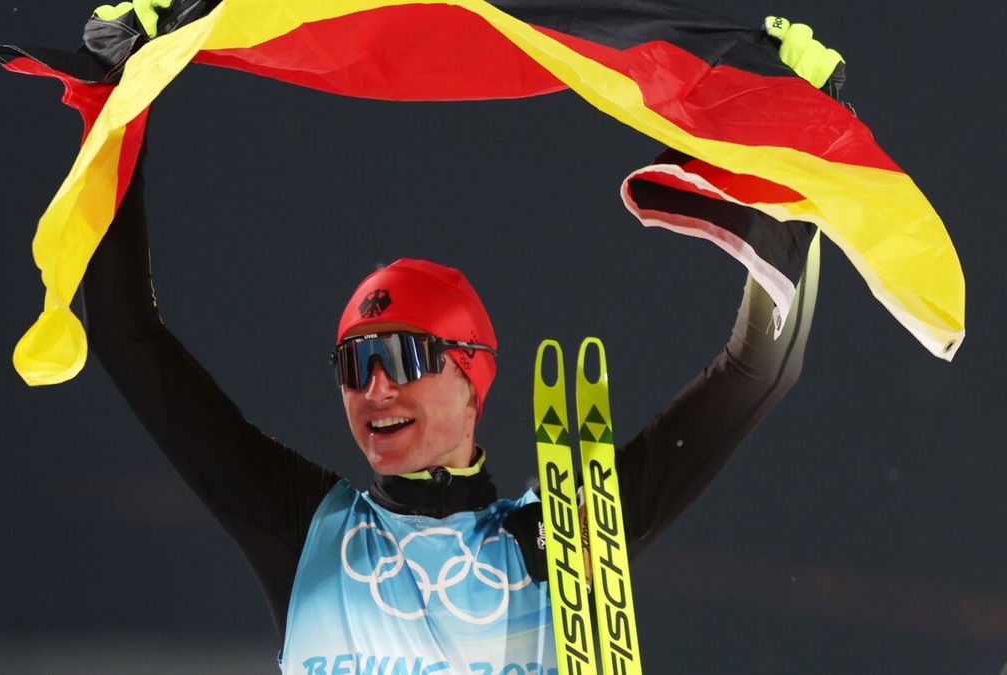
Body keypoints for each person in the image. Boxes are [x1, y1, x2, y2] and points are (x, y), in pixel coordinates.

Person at [75, 3, 830, 671]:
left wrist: (803, 163)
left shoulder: (562, 538)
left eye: (403, 356)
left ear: (473, 376)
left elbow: (757, 373)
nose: (374, 386)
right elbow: (125, 334)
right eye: (353, 363)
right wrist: (119, 108)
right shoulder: (303, 528)